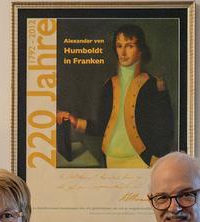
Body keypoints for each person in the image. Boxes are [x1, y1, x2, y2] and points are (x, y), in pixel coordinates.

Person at [56, 24, 174, 168]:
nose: (123, 52)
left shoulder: (155, 85)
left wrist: (157, 161)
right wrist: (76, 122)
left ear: (141, 49)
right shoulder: (109, 84)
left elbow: (165, 130)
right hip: (110, 158)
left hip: (143, 161)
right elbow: (101, 125)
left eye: (129, 46)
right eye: (119, 46)